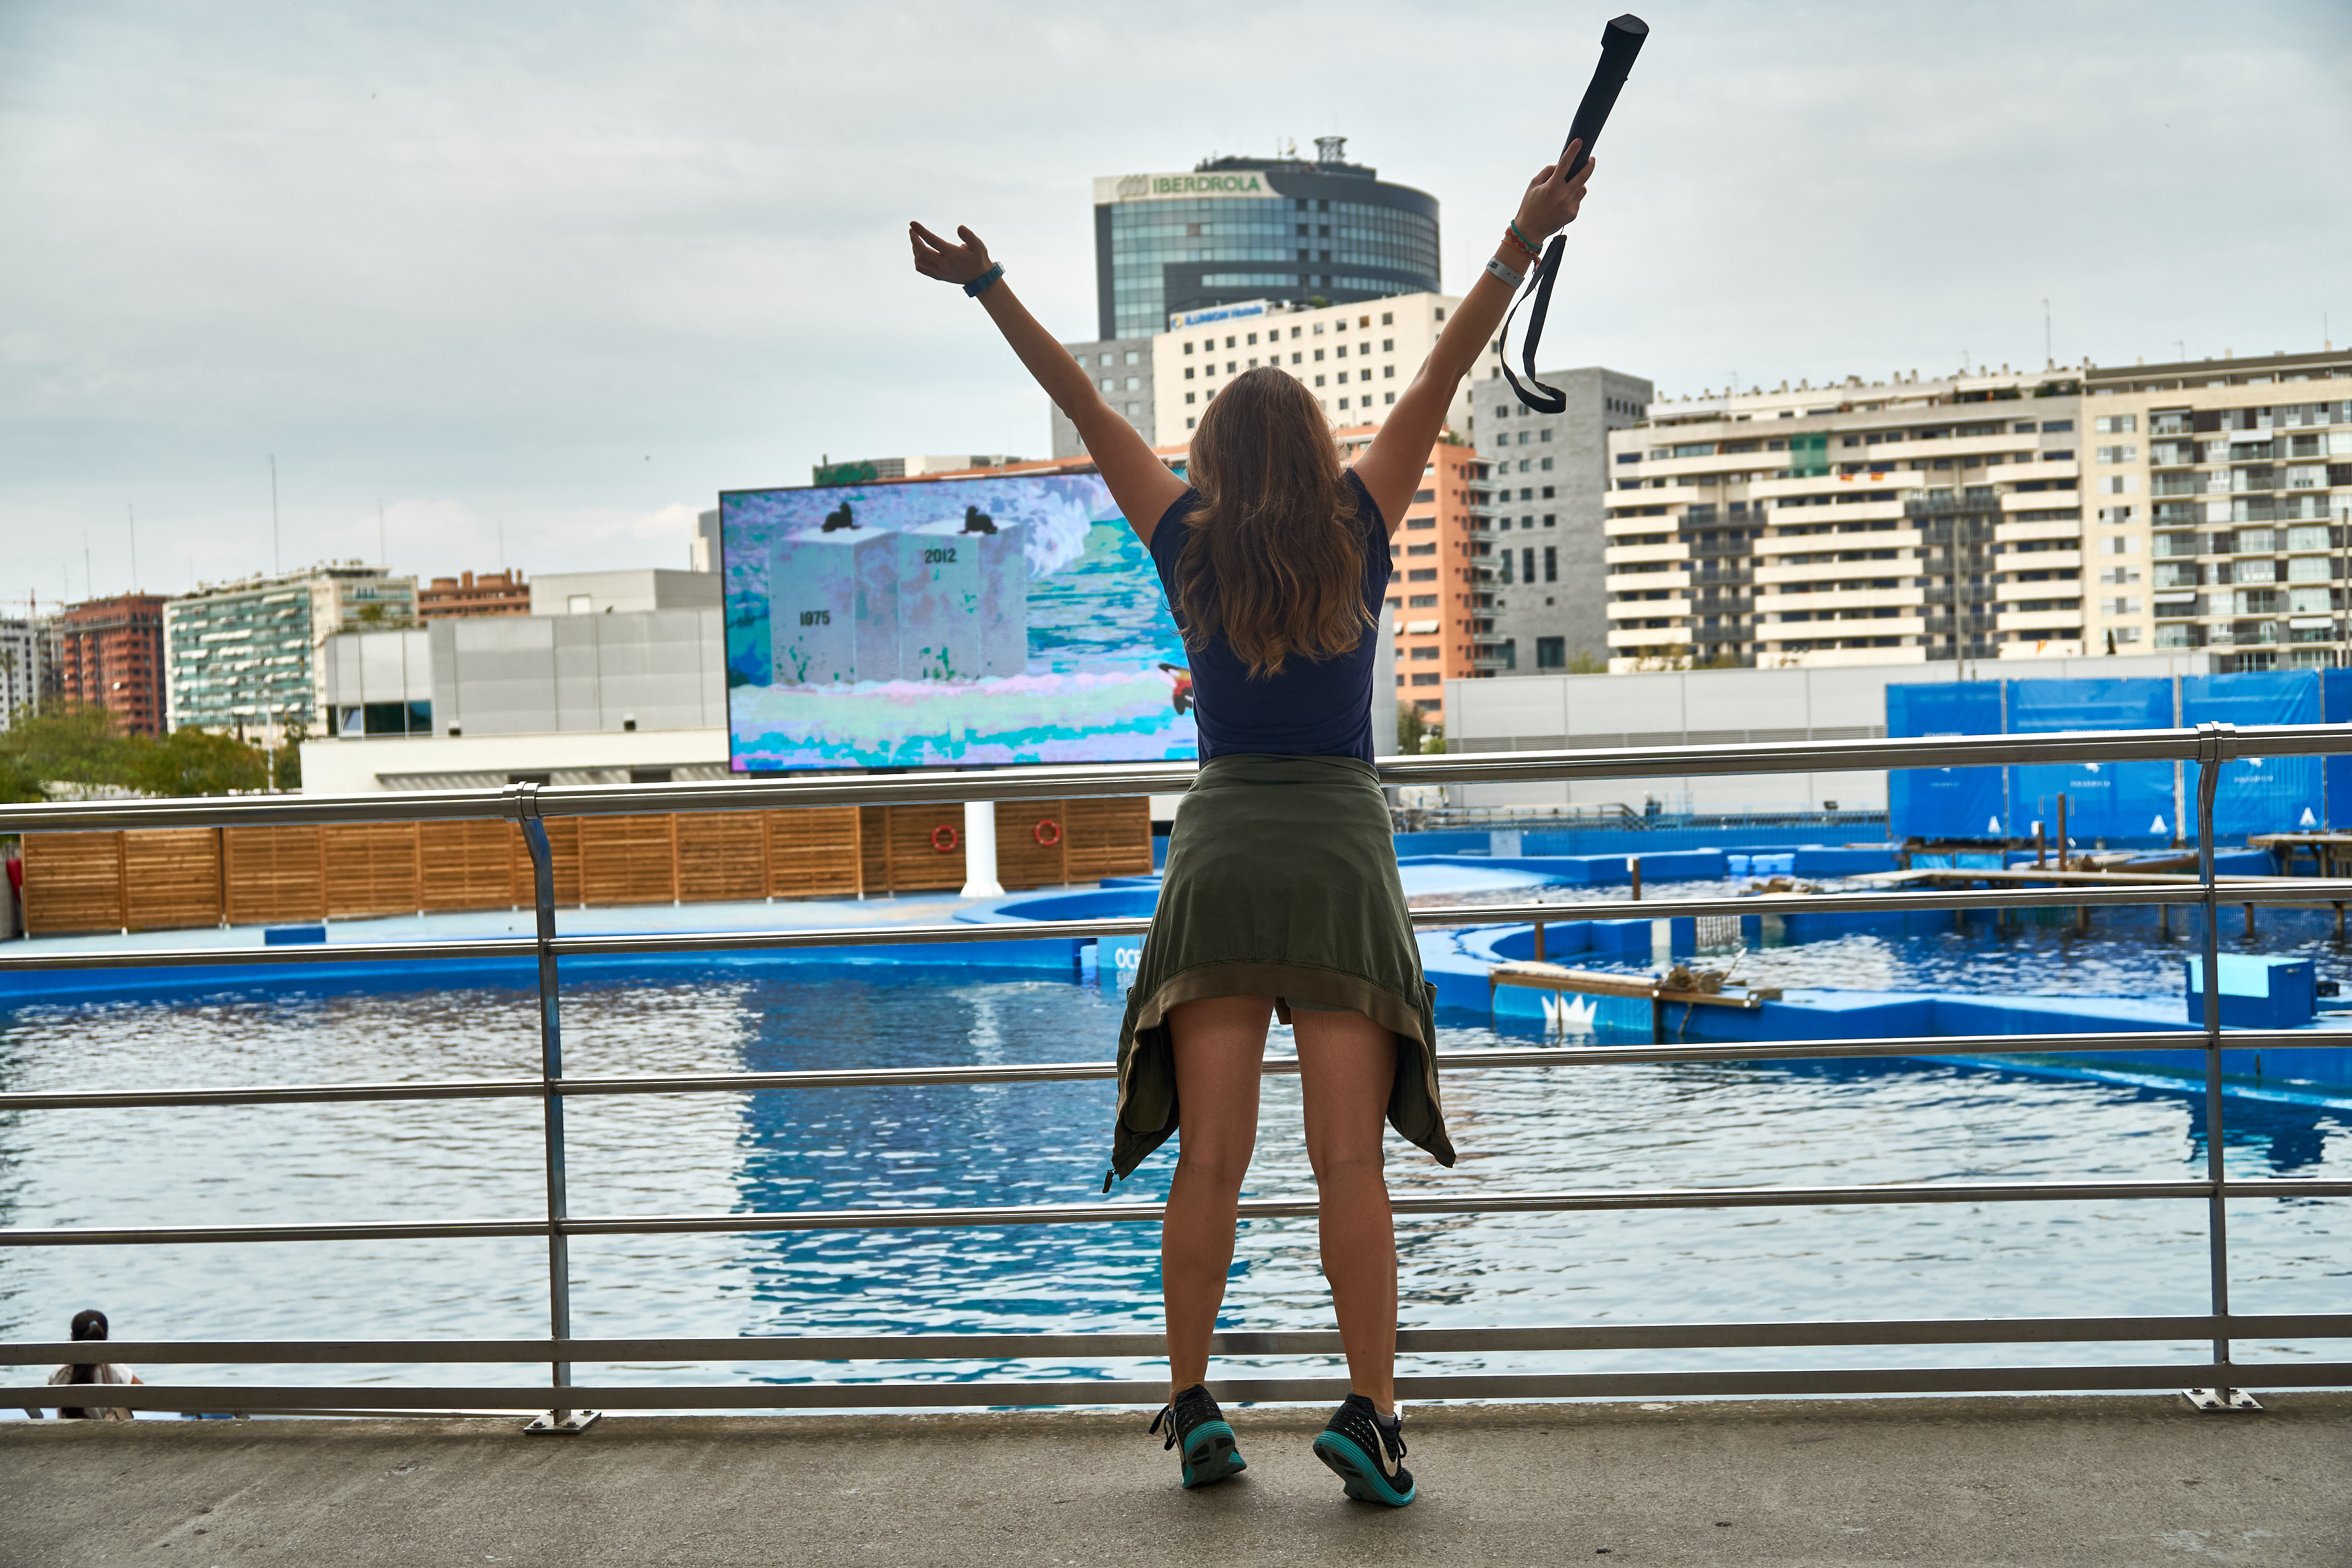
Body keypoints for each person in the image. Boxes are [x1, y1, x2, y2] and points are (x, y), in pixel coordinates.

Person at [912, 143, 1595, 1508]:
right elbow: (1443, 367)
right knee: (1346, 1161)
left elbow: (1071, 402)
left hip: (1219, 860)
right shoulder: (1360, 516)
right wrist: (1520, 233)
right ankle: (1368, 1415)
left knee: (1209, 1161)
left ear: (1216, 459)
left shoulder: (1183, 540)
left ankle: (1194, 1407)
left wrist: (986, 282)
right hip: (1337, 857)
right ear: (1316, 453)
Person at [46, 1308, 141, 1420]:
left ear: (73, 1338)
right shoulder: (114, 1368)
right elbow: (145, 1396)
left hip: (68, 1435)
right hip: (107, 1435)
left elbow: (48, 1397)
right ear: (104, 1337)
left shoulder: (60, 1371)